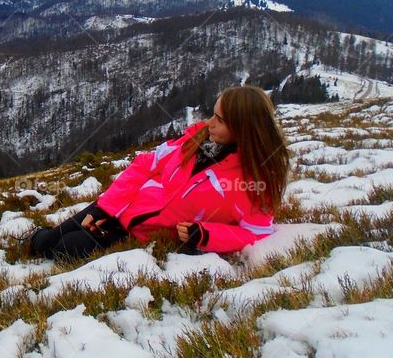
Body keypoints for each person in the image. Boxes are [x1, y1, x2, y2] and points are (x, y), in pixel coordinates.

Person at [29, 86, 291, 260]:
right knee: (46, 242)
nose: (209, 123)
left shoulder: (254, 182)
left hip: (140, 232)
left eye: (220, 120)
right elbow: (145, 164)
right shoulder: (193, 140)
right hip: (122, 206)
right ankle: (40, 236)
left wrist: (207, 235)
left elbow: (254, 233)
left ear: (244, 128)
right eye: (213, 114)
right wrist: (107, 207)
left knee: (66, 250)